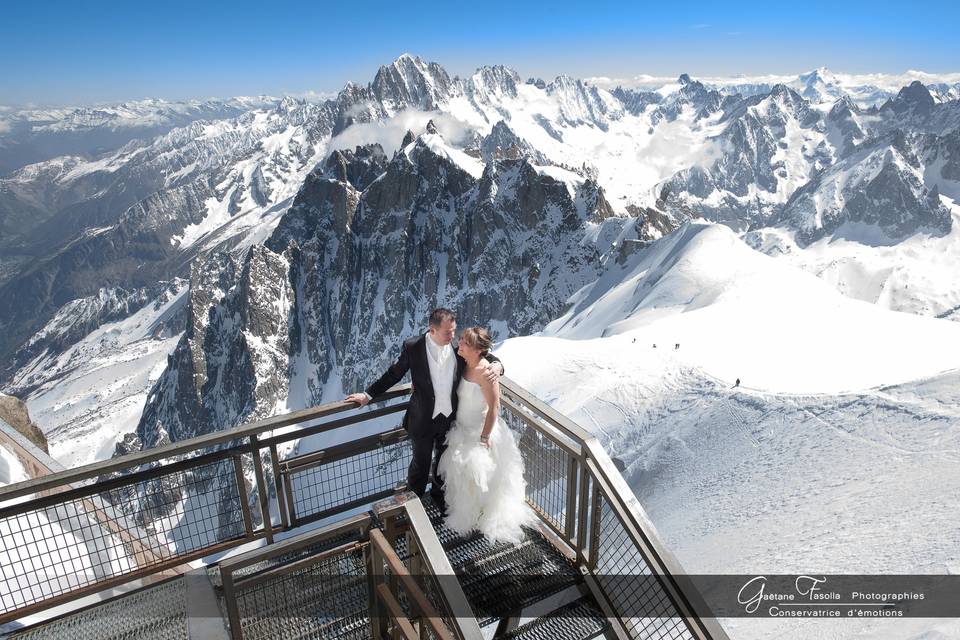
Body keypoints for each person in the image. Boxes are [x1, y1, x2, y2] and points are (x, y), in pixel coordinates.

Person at [345, 308, 503, 505]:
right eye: (448, 332)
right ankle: (414, 504)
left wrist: (498, 366)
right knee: (420, 465)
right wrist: (368, 395)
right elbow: (394, 373)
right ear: (432, 330)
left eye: (454, 331)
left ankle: (439, 500)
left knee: (443, 466)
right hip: (421, 420)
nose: (453, 336)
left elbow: (483, 355)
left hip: (450, 420)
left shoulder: (458, 346)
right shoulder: (413, 347)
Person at [437, 327, 533, 543]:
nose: (459, 344)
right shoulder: (464, 364)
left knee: (483, 478)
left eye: (464, 342)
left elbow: (494, 407)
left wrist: (484, 437)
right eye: (460, 339)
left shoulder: (487, 372)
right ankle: (470, 517)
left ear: (477, 350)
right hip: (461, 429)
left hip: (479, 432)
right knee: (463, 480)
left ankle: (483, 518)